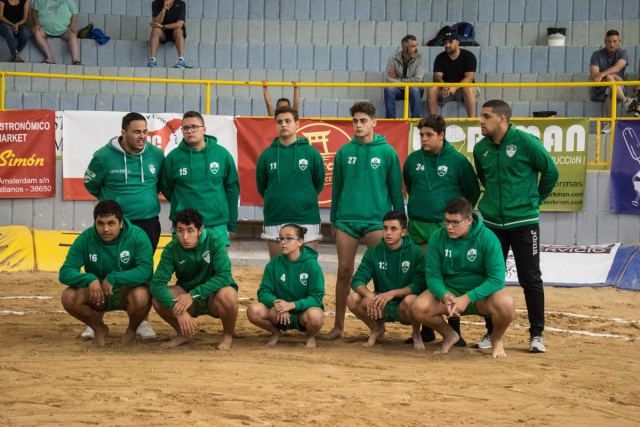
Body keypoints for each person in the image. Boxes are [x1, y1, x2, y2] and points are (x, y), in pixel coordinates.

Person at [473, 100, 559, 353]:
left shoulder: (526, 142)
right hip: (491, 224)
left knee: (530, 278)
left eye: (486, 116)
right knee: (490, 278)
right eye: (481, 116)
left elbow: (551, 172)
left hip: (524, 223)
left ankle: (536, 335)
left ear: (502, 119)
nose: (481, 121)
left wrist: (536, 200)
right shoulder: (480, 148)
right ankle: (491, 333)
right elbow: (483, 178)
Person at [83, 112, 165, 341]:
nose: (142, 136)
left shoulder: (157, 155)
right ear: (123, 132)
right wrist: (111, 206)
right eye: (136, 132)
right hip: (114, 223)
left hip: (147, 222)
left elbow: (161, 183)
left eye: (145, 132)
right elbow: (90, 183)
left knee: (142, 271)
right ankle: (96, 320)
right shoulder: (103, 156)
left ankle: (141, 321)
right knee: (101, 267)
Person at [326, 101, 404, 339]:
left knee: (380, 273)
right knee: (344, 272)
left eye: (363, 121)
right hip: (347, 220)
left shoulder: (387, 152)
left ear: (374, 122)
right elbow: (336, 189)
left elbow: (396, 193)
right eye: (355, 121)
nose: (358, 125)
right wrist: (334, 221)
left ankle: (378, 324)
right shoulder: (344, 152)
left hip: (376, 221)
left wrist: (402, 224)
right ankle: (338, 326)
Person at [402, 114, 480, 346]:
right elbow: (410, 186)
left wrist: (456, 223)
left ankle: (455, 331)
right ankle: (426, 330)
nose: (424, 139)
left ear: (442, 135)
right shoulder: (413, 160)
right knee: (424, 277)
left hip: (445, 229)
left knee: (447, 279)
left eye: (429, 135)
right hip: (417, 227)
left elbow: (472, 192)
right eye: (421, 135)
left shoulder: (458, 161)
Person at [412, 197, 515, 358]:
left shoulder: (487, 238)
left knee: (506, 304)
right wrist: (443, 295)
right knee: (419, 307)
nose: (449, 227)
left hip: (481, 296)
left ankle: (496, 340)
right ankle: (450, 335)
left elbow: (496, 279)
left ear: (469, 220)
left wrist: (467, 298)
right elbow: (432, 275)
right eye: (446, 221)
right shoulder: (437, 237)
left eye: (455, 222)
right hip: (450, 292)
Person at [59, 200, 154, 347]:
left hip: (127, 290)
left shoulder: (138, 236)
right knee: (68, 296)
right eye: (100, 223)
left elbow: (146, 271)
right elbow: (65, 272)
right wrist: (90, 279)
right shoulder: (86, 238)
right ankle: (98, 328)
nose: (105, 229)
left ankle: (131, 331)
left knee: (143, 295)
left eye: (111, 223)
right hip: (98, 293)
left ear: (121, 223)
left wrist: (115, 277)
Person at [150, 208, 238, 349]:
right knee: (158, 299)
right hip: (186, 295)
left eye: (190, 230)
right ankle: (183, 333)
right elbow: (156, 284)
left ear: (200, 230)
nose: (185, 237)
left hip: (213, 296)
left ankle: (228, 335)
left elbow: (224, 276)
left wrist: (193, 295)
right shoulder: (172, 248)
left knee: (229, 295)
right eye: (180, 231)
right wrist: (179, 312)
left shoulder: (214, 241)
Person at [160, 111, 240, 247]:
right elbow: (166, 187)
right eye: (185, 128)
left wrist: (232, 224)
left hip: (216, 224)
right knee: (184, 262)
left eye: (194, 127)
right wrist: (181, 202)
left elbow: (232, 190)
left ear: (204, 129)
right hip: (184, 226)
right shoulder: (173, 157)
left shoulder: (222, 154)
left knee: (219, 262)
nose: (190, 131)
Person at [347, 211, 426, 349]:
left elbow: (419, 284)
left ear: (403, 232)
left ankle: (416, 333)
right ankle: (376, 329)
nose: (388, 233)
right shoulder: (373, 252)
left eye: (393, 229)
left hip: (404, 305)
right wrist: (368, 294)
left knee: (412, 300)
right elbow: (357, 279)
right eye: (385, 228)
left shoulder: (415, 252)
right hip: (380, 304)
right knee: (352, 299)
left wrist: (393, 293)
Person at [256, 106, 325, 258]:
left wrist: (304, 198)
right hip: (275, 217)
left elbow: (318, 183)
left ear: (297, 124)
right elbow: (262, 186)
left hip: (306, 217)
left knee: (307, 266)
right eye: (279, 122)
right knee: (278, 267)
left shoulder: (312, 153)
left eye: (288, 121)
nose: (284, 125)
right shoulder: (266, 155)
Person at [247, 224, 325, 348]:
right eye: (281, 238)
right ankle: (275, 332)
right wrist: (277, 304)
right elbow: (263, 292)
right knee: (253, 310)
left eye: (288, 238)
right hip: (278, 313)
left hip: (303, 313)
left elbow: (316, 298)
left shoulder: (312, 265)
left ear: (300, 242)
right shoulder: (274, 263)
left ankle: (310, 336)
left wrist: (291, 305)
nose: (283, 242)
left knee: (316, 316)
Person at [589, 30, 634, 134]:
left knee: (610, 90)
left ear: (619, 42)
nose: (612, 44)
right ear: (605, 41)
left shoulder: (623, 53)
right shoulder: (596, 54)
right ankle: (625, 101)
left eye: (614, 41)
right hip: (599, 88)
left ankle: (609, 123)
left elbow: (617, 68)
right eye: (609, 41)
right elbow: (593, 75)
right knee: (610, 83)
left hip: (618, 88)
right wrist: (610, 76)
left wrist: (603, 75)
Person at [427, 30, 478, 117]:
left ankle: (471, 121)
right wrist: (444, 85)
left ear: (457, 43)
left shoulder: (469, 56)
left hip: (463, 89)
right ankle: (433, 120)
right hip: (446, 90)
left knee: (468, 89)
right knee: (432, 89)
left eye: (450, 42)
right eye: (445, 42)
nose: (447, 45)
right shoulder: (440, 57)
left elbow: (469, 78)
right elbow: (436, 76)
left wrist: (454, 87)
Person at [383, 35, 425, 119]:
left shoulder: (420, 58)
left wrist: (398, 79)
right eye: (413, 46)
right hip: (399, 91)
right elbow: (388, 78)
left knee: (414, 89)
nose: (416, 48)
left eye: (416, 45)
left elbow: (417, 80)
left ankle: (415, 120)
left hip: (413, 91)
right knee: (388, 89)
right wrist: (406, 84)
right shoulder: (393, 58)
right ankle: (391, 121)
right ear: (405, 48)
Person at [30, 0, 81, 65]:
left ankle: (75, 60)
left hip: (63, 30)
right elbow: (33, 11)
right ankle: (50, 58)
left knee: (72, 33)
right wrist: (37, 24)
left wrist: (72, 26)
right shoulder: (40, 0)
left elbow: (75, 13)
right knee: (36, 32)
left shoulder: (68, 1)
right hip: (44, 30)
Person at [148, 0, 187, 68]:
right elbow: (156, 22)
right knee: (155, 30)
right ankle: (152, 60)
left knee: (178, 31)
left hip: (175, 32)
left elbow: (179, 24)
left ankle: (181, 60)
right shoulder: (156, 3)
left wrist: (163, 26)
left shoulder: (181, 3)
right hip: (162, 32)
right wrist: (164, 8)